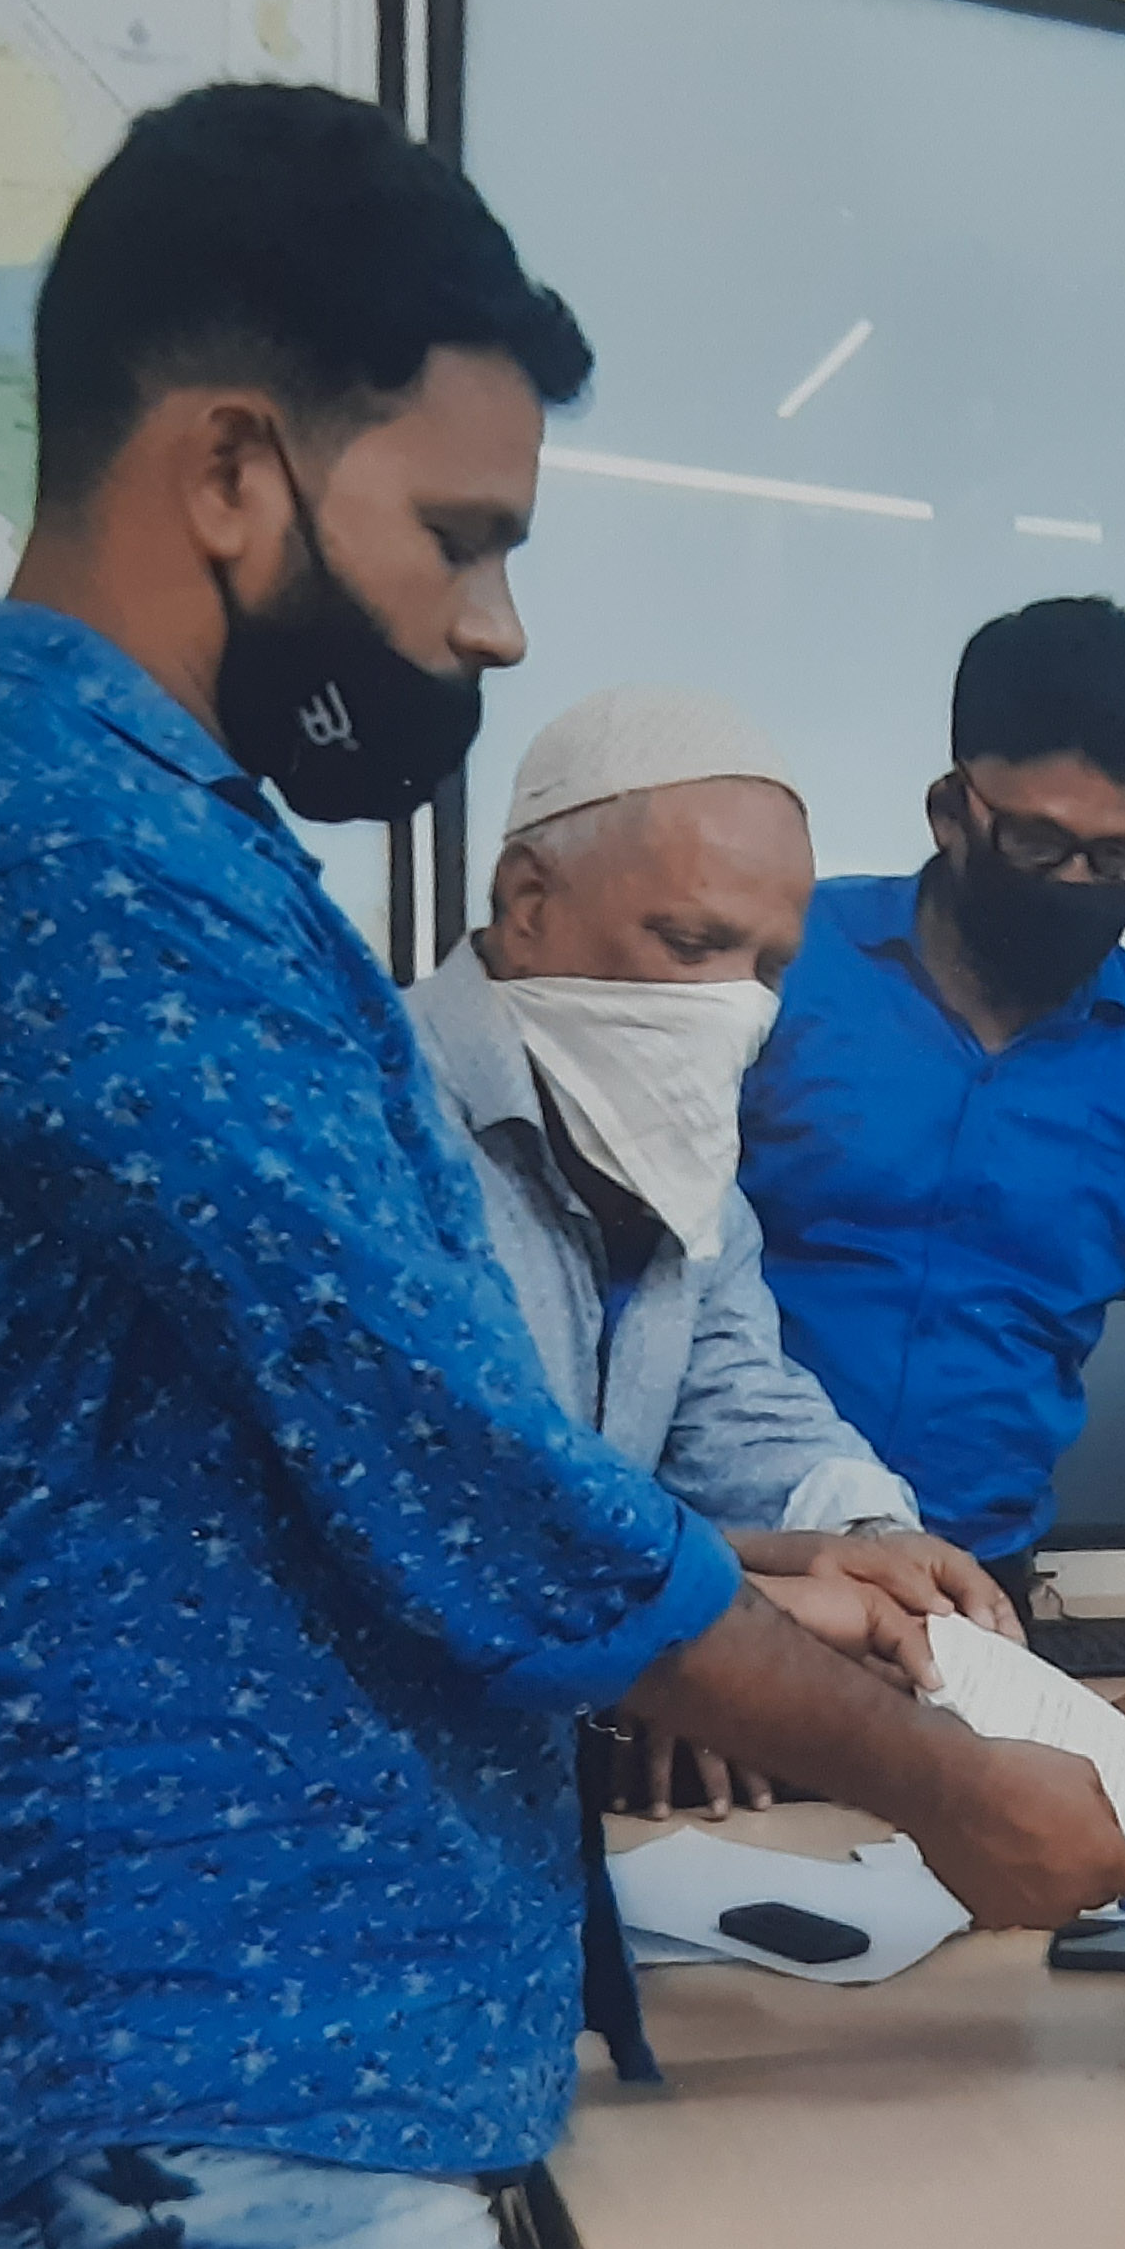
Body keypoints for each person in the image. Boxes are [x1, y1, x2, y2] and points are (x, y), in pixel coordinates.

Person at [0, 85, 1125, 2249]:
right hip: (225, 2056)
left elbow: (443, 1452)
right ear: (230, 470)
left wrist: (783, 1562)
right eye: (463, 538)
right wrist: (945, 1785)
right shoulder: (74, 869)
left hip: (324, 2034)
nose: (492, 625)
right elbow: (475, 1489)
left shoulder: (171, 850)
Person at [409, 684, 1015, 1816]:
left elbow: (737, 1406)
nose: (735, 1009)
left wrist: (866, 1540)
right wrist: (738, 1618)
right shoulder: (373, 1128)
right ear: (528, 903)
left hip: (536, 1803)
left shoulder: (689, 1179)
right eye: (691, 944)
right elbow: (457, 1506)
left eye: (769, 969)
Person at [737, 595, 1125, 1757]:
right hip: (730, 1589)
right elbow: (623, 1287)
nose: (1077, 882)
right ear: (951, 811)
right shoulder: (777, 970)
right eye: (1040, 847)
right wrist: (669, 1632)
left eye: (1119, 858)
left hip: (973, 1625)